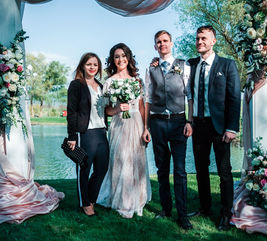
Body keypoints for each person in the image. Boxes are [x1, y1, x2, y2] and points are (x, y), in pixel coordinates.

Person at [187, 25, 241, 230]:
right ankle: (205, 207)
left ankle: (226, 213)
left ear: (213, 41)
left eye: (204, 38)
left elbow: (235, 98)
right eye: (198, 39)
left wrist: (232, 128)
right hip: (199, 125)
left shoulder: (227, 65)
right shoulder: (191, 65)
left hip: (220, 127)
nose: (200, 42)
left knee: (224, 171)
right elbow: (172, 66)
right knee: (201, 169)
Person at [142, 30, 193, 230]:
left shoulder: (184, 65)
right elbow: (147, 98)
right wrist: (146, 126)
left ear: (171, 43)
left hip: (179, 122)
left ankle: (183, 215)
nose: (162, 44)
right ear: (155, 46)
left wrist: (190, 121)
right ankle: (166, 209)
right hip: (157, 123)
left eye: (165, 41)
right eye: (158, 42)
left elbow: (189, 95)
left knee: (180, 171)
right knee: (162, 169)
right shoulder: (151, 68)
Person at [97, 43, 151, 218]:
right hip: (119, 125)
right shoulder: (110, 82)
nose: (121, 59)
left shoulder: (137, 81)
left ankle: (138, 199)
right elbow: (106, 110)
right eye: (117, 56)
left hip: (136, 124)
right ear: (113, 60)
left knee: (137, 161)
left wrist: (145, 129)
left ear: (129, 57)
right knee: (120, 160)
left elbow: (142, 107)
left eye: (123, 55)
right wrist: (118, 108)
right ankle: (122, 201)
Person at [67, 52, 109, 216]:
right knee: (84, 170)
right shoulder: (76, 85)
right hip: (85, 133)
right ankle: (85, 203)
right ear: (82, 66)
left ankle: (91, 198)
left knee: (102, 168)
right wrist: (72, 137)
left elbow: (104, 110)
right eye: (89, 64)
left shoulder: (101, 85)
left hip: (101, 132)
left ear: (98, 68)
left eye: (95, 65)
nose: (92, 67)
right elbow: (71, 112)